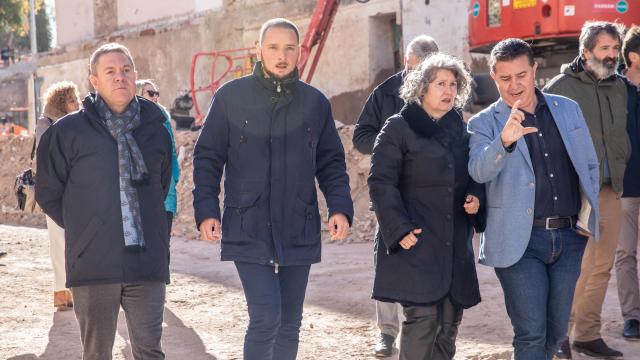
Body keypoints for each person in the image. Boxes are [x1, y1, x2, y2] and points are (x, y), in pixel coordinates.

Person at [193, 18, 353, 360]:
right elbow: (207, 157)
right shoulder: (230, 98)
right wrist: (206, 209)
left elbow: (331, 163)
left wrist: (339, 206)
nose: (282, 56)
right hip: (247, 224)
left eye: (289, 48)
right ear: (258, 50)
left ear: (300, 51)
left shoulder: (315, 103)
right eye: (273, 47)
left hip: (299, 222)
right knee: (267, 317)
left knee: (290, 323)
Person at [35, 43, 172, 360]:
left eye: (126, 70)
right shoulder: (67, 132)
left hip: (147, 262)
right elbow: (48, 191)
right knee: (97, 353)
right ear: (93, 80)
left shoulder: (156, 127)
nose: (120, 77)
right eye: (110, 71)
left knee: (150, 350)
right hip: (93, 264)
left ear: (136, 76)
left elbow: (161, 184)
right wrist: (88, 225)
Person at [468, 38, 600, 360]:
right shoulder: (483, 123)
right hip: (519, 244)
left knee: (555, 334)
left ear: (534, 71)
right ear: (494, 77)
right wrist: (504, 142)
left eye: (521, 75)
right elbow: (478, 171)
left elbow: (589, 164)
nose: (514, 85)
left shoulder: (567, 110)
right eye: (505, 78)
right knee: (530, 334)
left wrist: (586, 218)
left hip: (569, 239)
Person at [369, 52, 484, 360]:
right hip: (416, 241)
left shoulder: (459, 128)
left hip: (453, 244)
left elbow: (472, 174)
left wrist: (475, 197)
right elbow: (380, 182)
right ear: (421, 88)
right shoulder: (397, 128)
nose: (449, 91)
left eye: (453, 84)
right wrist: (399, 229)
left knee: (448, 327)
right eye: (440, 84)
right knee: (423, 322)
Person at [544, 21, 630, 359]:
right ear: (586, 51)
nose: (611, 56)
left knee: (603, 265)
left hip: (610, 187)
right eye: (604, 49)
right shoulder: (560, 87)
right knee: (575, 266)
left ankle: (587, 334)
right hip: (576, 190)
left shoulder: (620, 87)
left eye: (614, 49)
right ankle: (559, 336)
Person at [352, 33, 439, 358]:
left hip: (433, 194)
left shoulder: (445, 89)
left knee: (432, 260)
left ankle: (429, 330)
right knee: (389, 261)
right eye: (419, 71)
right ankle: (387, 334)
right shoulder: (386, 92)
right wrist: (392, 145)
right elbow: (361, 136)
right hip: (391, 191)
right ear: (407, 62)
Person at [35, 81, 81, 311]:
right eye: (72, 99)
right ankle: (63, 294)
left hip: (74, 190)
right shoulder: (46, 124)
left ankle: (74, 290)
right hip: (55, 192)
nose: (77, 103)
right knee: (59, 242)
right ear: (60, 103)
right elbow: (44, 159)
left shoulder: (76, 124)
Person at [614, 25, 640, 341]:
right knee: (625, 254)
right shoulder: (615, 88)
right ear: (634, 56)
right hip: (624, 186)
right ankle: (633, 318)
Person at [136, 79, 180, 237]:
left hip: (167, 188)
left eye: (157, 93)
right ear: (138, 94)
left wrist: (174, 177)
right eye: (150, 93)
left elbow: (172, 151)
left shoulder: (163, 117)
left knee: (164, 240)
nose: (155, 97)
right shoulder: (131, 119)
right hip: (144, 189)